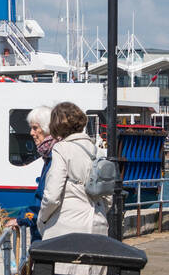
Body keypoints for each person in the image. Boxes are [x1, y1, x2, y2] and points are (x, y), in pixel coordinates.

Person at [37, 101, 108, 244]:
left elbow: (52, 196)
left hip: (68, 228)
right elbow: (108, 198)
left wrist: (42, 219)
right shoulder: (98, 151)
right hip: (98, 226)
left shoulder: (61, 150)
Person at [10, 106, 55, 231]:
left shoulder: (55, 156)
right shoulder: (49, 155)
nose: (31, 133)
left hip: (47, 230)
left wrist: (22, 219)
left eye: (35, 128)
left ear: (47, 129)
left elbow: (47, 199)